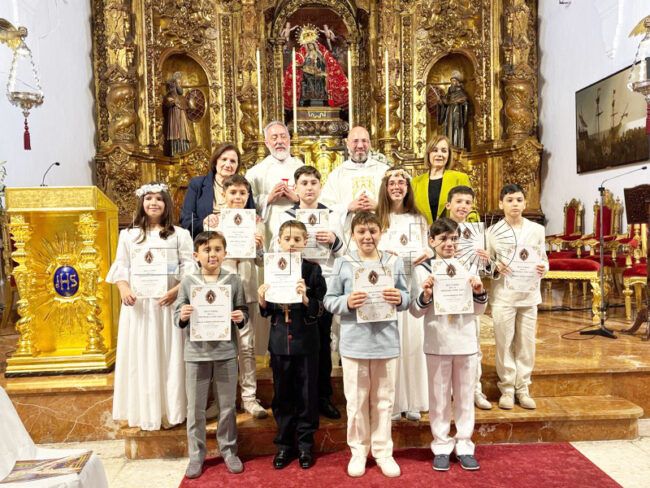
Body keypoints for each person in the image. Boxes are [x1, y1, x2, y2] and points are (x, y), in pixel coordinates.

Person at [324, 212, 409, 479]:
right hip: (355, 343)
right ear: (352, 235)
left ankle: (383, 452)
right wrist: (347, 302)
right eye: (361, 231)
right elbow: (329, 300)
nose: (367, 236)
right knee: (356, 401)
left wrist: (399, 298)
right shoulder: (343, 263)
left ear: (380, 232)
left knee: (384, 401)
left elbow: (407, 297)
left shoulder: (393, 262)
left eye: (372, 230)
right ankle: (358, 451)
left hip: (386, 342)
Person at [107, 182, 193, 431]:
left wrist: (175, 292)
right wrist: (124, 288)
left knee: (168, 357)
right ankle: (143, 411)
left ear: (167, 204)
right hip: (139, 308)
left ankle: (171, 411)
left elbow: (189, 268)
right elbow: (121, 266)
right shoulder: (128, 235)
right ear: (141, 203)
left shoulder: (179, 234)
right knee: (141, 357)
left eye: (159, 198)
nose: (154, 203)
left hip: (167, 305)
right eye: (149, 198)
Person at [410, 218, 487, 472]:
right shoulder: (423, 269)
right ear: (431, 241)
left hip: (465, 339)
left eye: (454, 238)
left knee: (465, 396)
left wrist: (478, 291)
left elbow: (479, 310)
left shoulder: (468, 265)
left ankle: (464, 444)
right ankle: (441, 445)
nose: (449, 243)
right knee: (439, 396)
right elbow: (415, 311)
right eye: (443, 239)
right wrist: (426, 295)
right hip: (437, 340)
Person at [174, 231, 249, 478]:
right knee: (195, 409)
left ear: (225, 253)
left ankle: (229, 450)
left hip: (225, 352)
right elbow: (177, 315)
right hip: (196, 354)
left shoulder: (233, 280)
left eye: (217, 249)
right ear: (196, 255)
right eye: (206, 250)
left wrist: (241, 316)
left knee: (227, 407)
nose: (212, 254)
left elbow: (243, 310)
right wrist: (183, 315)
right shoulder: (188, 282)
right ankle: (196, 455)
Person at [272, 165, 345, 420]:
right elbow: (275, 249)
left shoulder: (332, 215)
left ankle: (323, 396)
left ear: (320, 186)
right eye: (304, 183)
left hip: (323, 281)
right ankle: (295, 399)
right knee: (294, 345)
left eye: (314, 183)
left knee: (322, 342)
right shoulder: (285, 215)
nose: (309, 187)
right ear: (296, 187)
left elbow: (344, 251)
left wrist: (333, 240)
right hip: (292, 282)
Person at [259, 220, 327, 470]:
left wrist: (307, 299)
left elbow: (322, 309)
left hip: (306, 341)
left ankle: (306, 444)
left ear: (305, 242)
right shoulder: (271, 267)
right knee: (282, 395)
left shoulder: (313, 270)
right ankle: (285, 445)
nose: (292, 244)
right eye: (287, 239)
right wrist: (262, 299)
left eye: (297, 239)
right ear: (278, 241)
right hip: (280, 341)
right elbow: (267, 311)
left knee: (307, 395)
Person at [375, 167, 430, 421]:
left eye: (401, 183)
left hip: (413, 279)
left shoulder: (418, 218)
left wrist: (427, 253)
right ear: (385, 188)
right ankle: (394, 401)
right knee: (392, 340)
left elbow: (428, 247)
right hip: (388, 284)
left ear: (408, 188)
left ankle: (414, 400)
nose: (397, 187)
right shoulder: (378, 218)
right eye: (392, 183)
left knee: (414, 339)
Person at [487, 184, 548, 410]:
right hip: (504, 295)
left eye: (519, 200)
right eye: (510, 200)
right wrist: (495, 266)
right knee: (504, 343)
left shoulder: (537, 230)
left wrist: (544, 268)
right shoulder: (491, 232)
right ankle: (507, 388)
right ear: (501, 204)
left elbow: (543, 259)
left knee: (526, 344)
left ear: (525, 203)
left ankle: (523, 388)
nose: (515, 204)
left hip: (529, 295)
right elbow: (486, 263)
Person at [218, 174, 268, 419]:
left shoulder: (256, 222)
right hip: (220, 290)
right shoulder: (213, 221)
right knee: (222, 347)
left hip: (247, 290)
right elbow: (207, 256)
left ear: (248, 195)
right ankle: (224, 400)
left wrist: (259, 247)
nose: (237, 197)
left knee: (247, 347)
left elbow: (261, 261)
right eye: (233, 192)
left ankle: (249, 397)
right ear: (224, 194)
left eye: (242, 193)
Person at [445, 185, 492, 410]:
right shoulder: (438, 229)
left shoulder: (477, 233)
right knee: (445, 345)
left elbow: (487, 269)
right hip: (446, 294)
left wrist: (487, 260)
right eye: (459, 202)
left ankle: (475, 390)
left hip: (470, 293)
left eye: (467, 203)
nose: (463, 206)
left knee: (473, 344)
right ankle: (448, 393)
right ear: (449, 205)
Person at [320, 126, 390, 236]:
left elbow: (399, 205)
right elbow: (325, 207)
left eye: (364, 141)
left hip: (381, 235)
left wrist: (378, 206)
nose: (360, 145)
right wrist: (348, 207)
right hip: (349, 237)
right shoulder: (336, 175)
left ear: (370, 144)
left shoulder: (384, 171)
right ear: (347, 144)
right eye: (355, 141)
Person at [245, 121, 303, 246]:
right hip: (270, 225)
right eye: (274, 138)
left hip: (299, 223)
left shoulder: (302, 168)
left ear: (289, 139)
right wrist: (268, 199)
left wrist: (298, 198)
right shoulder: (255, 172)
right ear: (267, 143)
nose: (279, 141)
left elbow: (317, 198)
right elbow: (246, 204)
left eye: (283, 136)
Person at [180, 143, 255, 237]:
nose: (228, 165)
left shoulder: (244, 185)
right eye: (224, 159)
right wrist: (204, 223)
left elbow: (251, 216)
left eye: (232, 161)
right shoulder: (197, 184)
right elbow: (186, 220)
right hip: (205, 239)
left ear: (237, 165)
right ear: (215, 161)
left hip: (237, 239)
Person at [411, 135, 473, 225]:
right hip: (423, 232)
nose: (439, 154)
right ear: (428, 154)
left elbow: (471, 209)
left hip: (452, 231)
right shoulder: (415, 182)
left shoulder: (460, 178)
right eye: (435, 150)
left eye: (444, 151)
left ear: (449, 155)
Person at [163, 72, 193, 157]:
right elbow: (167, 103)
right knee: (175, 134)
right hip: (174, 118)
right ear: (174, 85)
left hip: (182, 120)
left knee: (184, 135)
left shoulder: (182, 98)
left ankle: (185, 153)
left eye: (180, 84)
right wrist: (173, 102)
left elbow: (190, 107)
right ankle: (175, 152)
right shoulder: (170, 96)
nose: (180, 86)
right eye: (178, 84)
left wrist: (189, 101)